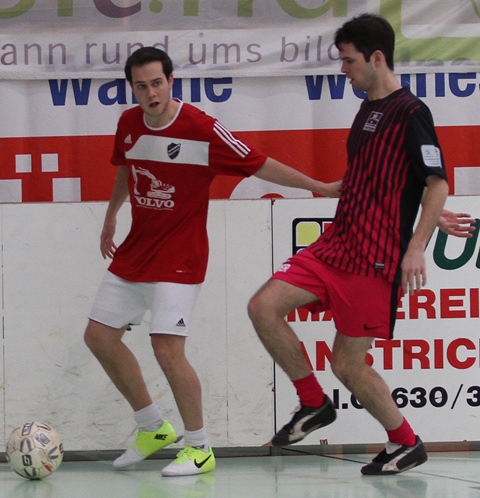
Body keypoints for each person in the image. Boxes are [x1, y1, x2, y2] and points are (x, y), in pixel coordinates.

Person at [83, 46, 342, 477]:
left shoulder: (201, 128)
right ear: (132, 88)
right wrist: (112, 214)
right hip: (135, 252)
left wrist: (320, 185)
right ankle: (152, 427)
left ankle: (199, 447)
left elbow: (259, 164)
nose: (151, 93)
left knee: (166, 349)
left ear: (171, 81)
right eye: (141, 86)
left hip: (180, 258)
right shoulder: (128, 123)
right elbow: (126, 168)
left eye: (157, 83)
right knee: (98, 337)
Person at [248, 13, 476, 476]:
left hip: (374, 259)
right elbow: (396, 180)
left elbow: (436, 182)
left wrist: (417, 245)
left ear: (376, 58)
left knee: (348, 366)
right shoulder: (366, 108)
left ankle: (406, 442)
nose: (343, 69)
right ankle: (313, 404)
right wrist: (423, 208)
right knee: (263, 307)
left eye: (349, 60)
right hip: (336, 246)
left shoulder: (411, 112)